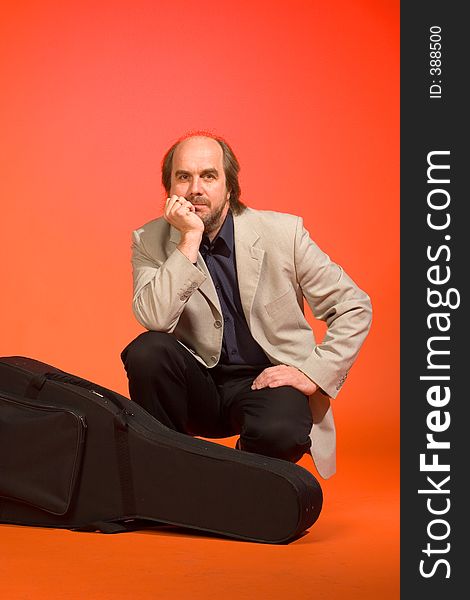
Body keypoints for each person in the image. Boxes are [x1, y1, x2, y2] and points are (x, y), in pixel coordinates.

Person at [121, 133, 372, 479]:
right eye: (183, 177)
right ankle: (167, 473)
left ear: (230, 186)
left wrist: (313, 373)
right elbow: (154, 318)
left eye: (208, 176)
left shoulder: (284, 233)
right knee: (147, 351)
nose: (195, 188)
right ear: (169, 188)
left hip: (265, 381)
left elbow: (353, 305)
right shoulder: (148, 240)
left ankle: (236, 478)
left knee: (282, 431)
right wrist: (189, 239)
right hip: (198, 384)